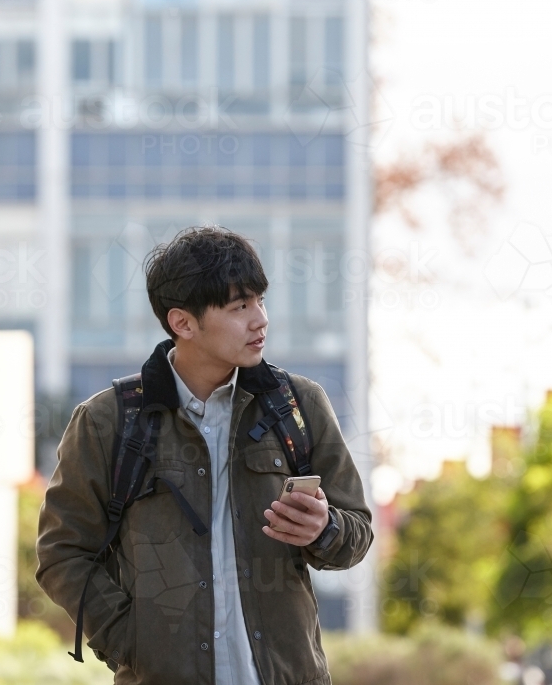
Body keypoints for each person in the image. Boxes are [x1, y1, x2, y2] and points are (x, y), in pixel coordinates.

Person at [36, 225, 373, 685]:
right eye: (240, 307)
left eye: (260, 300)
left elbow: (357, 530)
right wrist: (130, 640)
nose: (261, 320)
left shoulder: (299, 406)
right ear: (183, 323)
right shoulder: (107, 422)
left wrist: (325, 528)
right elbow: (62, 554)